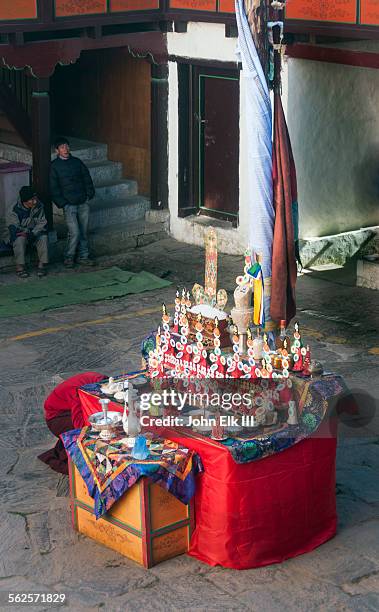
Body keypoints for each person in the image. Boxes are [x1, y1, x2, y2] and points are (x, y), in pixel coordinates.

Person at [38, 371, 105, 475]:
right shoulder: (78, 392)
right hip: (56, 419)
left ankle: (65, 447)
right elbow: (79, 424)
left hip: (68, 408)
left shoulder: (102, 381)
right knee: (87, 431)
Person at [50, 137, 95, 268]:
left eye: (67, 146)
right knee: (74, 232)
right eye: (62, 147)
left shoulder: (77, 162)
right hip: (68, 205)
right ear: (57, 150)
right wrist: (63, 203)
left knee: (84, 230)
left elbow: (87, 178)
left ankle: (83, 256)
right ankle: (69, 257)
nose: (66, 149)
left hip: (83, 201)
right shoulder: (54, 166)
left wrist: (89, 195)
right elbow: (53, 188)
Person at [8, 185, 48, 278]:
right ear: (24, 201)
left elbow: (42, 222)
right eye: (31, 200)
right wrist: (27, 232)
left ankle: (41, 266)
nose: (35, 201)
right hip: (18, 234)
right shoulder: (14, 209)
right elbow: (14, 228)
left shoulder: (39, 205)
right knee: (19, 240)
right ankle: (20, 267)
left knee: (43, 237)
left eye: (35, 198)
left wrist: (33, 232)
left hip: (32, 232)